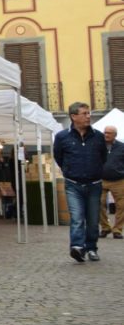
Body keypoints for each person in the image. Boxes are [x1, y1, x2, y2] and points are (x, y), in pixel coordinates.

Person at [53, 102, 107, 263]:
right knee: (77, 217)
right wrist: (69, 170)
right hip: (73, 184)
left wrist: (94, 170)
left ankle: (91, 248)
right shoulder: (62, 137)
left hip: (94, 184)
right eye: (84, 113)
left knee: (92, 219)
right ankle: (77, 247)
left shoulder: (98, 136)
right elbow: (59, 157)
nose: (88, 116)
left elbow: (103, 157)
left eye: (89, 113)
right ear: (73, 116)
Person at [100, 125, 124, 239]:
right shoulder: (99, 146)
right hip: (101, 179)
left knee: (121, 206)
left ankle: (117, 230)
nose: (106, 135)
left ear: (115, 135)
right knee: (98, 204)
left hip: (119, 180)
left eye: (109, 133)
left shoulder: (121, 147)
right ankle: (105, 227)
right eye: (105, 132)